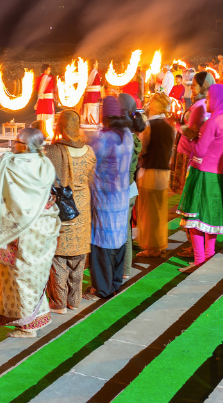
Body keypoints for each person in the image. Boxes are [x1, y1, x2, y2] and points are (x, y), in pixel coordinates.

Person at [0, 128, 60, 338]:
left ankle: (28, 326)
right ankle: (35, 315)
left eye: (16, 142)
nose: (12, 146)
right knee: (32, 277)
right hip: (42, 228)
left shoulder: (13, 165)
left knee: (20, 278)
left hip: (20, 232)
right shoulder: (44, 162)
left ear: (25, 146)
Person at [44, 111, 97, 313]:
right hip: (82, 206)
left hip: (62, 208)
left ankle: (59, 302)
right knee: (78, 255)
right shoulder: (89, 151)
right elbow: (91, 178)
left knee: (59, 257)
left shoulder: (54, 151)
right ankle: (74, 301)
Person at [177, 85, 223, 273]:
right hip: (216, 175)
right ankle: (209, 257)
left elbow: (200, 150)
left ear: (216, 100)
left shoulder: (212, 122)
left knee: (195, 221)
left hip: (201, 174)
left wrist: (188, 135)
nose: (206, 102)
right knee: (210, 221)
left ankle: (199, 260)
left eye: (209, 99)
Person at [85, 97, 134, 300]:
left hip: (105, 199)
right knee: (118, 241)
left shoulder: (105, 138)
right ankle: (114, 283)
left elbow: (89, 158)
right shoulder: (127, 135)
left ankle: (102, 288)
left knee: (101, 243)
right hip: (122, 196)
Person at [136, 93, 174, 258]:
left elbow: (142, 149)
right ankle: (160, 243)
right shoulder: (169, 125)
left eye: (151, 102)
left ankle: (153, 246)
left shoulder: (149, 125)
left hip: (150, 170)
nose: (148, 105)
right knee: (160, 209)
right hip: (164, 170)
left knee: (149, 211)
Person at [171, 71, 214, 195]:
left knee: (190, 192)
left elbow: (192, 132)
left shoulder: (202, 106)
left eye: (194, 84)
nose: (191, 87)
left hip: (190, 153)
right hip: (186, 150)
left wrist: (175, 123)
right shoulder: (199, 102)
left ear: (204, 87)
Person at [118, 93, 145, 279]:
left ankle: (121, 269)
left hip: (121, 189)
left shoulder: (122, 138)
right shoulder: (132, 138)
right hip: (130, 189)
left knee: (119, 232)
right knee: (125, 230)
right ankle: (126, 269)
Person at [35, 64, 56, 130]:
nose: (50, 71)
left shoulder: (38, 78)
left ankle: (40, 129)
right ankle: (47, 130)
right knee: (48, 115)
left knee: (41, 115)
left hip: (41, 100)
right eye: (49, 69)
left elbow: (36, 88)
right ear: (45, 70)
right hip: (47, 101)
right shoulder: (49, 78)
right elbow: (53, 88)